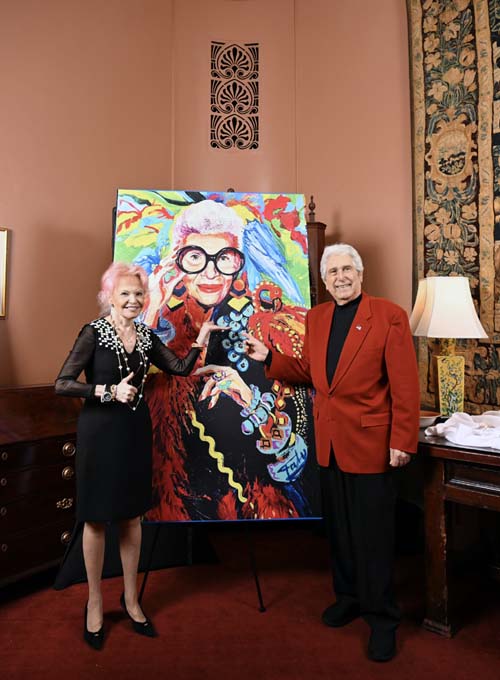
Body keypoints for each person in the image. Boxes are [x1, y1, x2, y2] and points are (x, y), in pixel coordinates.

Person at [244, 243, 420, 662]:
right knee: (339, 530)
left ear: (360, 274)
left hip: (373, 444)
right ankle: (348, 597)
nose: (340, 277)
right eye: (333, 271)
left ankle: (382, 617)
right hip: (330, 444)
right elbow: (316, 375)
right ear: (324, 280)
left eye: (347, 269)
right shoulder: (317, 318)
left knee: (374, 535)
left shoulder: (388, 315)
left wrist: (402, 440)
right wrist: (272, 357)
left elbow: (405, 384)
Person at [55, 261, 220, 650]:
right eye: (124, 294)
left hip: (133, 433)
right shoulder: (92, 333)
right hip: (99, 436)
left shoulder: (146, 336)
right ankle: (95, 601)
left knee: (131, 517)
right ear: (108, 297)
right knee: (95, 519)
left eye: (138, 294)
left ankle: (131, 600)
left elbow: (178, 368)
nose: (132, 300)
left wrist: (203, 340)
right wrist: (107, 391)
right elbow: (62, 383)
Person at [140, 198, 319, 521]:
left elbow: (298, 459)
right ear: (176, 263)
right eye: (195, 257)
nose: (210, 272)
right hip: (176, 511)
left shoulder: (269, 326)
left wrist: (249, 399)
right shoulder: (158, 325)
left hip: (256, 512)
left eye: (223, 258)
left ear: (238, 262)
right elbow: (129, 391)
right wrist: (152, 309)